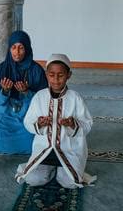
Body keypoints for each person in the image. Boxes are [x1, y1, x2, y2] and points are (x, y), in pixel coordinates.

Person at [15, 54, 96, 188]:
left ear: (68, 75)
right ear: (46, 75)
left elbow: (87, 124)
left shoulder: (75, 98)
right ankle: (50, 168)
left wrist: (73, 124)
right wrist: (39, 124)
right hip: (44, 150)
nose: (56, 80)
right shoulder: (39, 97)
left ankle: (62, 169)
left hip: (69, 150)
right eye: (52, 75)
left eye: (61, 75)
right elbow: (28, 122)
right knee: (33, 179)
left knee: (70, 183)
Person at [0, 31, 48, 154]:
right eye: (13, 47)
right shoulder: (2, 69)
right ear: (9, 49)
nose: (17, 52)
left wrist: (27, 92)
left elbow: (44, 101)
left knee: (31, 141)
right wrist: (5, 91)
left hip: (28, 112)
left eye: (21, 48)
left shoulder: (36, 70)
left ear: (27, 48)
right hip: (6, 111)